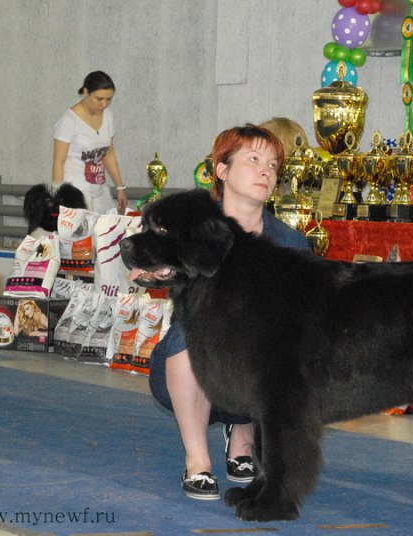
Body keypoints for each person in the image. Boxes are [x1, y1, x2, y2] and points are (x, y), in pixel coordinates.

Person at [148, 124, 312, 500]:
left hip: (254, 370)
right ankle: (197, 461)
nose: (265, 171)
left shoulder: (292, 244)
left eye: (273, 165)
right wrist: (155, 270)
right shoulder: (190, 232)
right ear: (222, 170)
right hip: (193, 363)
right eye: (253, 160)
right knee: (193, 333)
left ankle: (242, 438)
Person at [52, 71, 127, 215]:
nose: (104, 104)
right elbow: (58, 163)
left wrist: (120, 187)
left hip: (99, 190)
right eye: (99, 99)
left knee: (110, 226)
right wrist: (59, 199)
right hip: (75, 192)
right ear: (86, 92)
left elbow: (109, 153)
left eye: (109, 99)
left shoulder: (108, 116)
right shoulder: (68, 121)